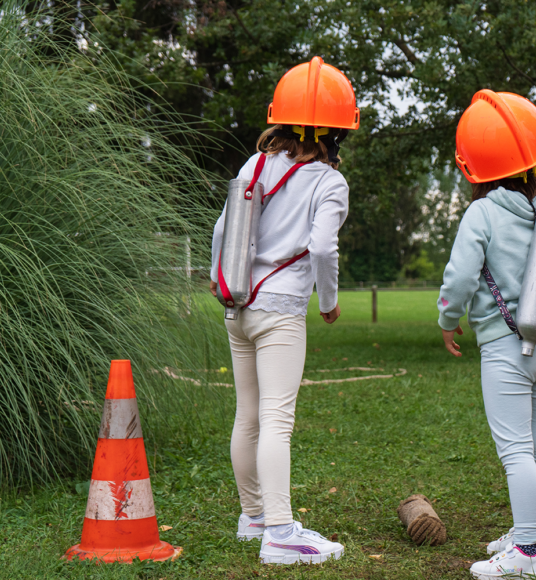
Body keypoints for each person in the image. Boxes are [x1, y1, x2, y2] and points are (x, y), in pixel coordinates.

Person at [209, 56, 358, 564]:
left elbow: (221, 228)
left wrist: (217, 274)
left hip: (238, 304)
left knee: (247, 415)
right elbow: (321, 248)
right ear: (338, 133)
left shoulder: (255, 165)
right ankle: (279, 532)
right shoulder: (329, 182)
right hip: (281, 310)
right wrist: (330, 301)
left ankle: (252, 517)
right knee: (277, 418)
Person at [438, 89, 536, 580]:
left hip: (504, 348)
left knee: (516, 450)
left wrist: (448, 318)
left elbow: (459, 278)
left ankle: (527, 554)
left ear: (474, 166)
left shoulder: (482, 213)